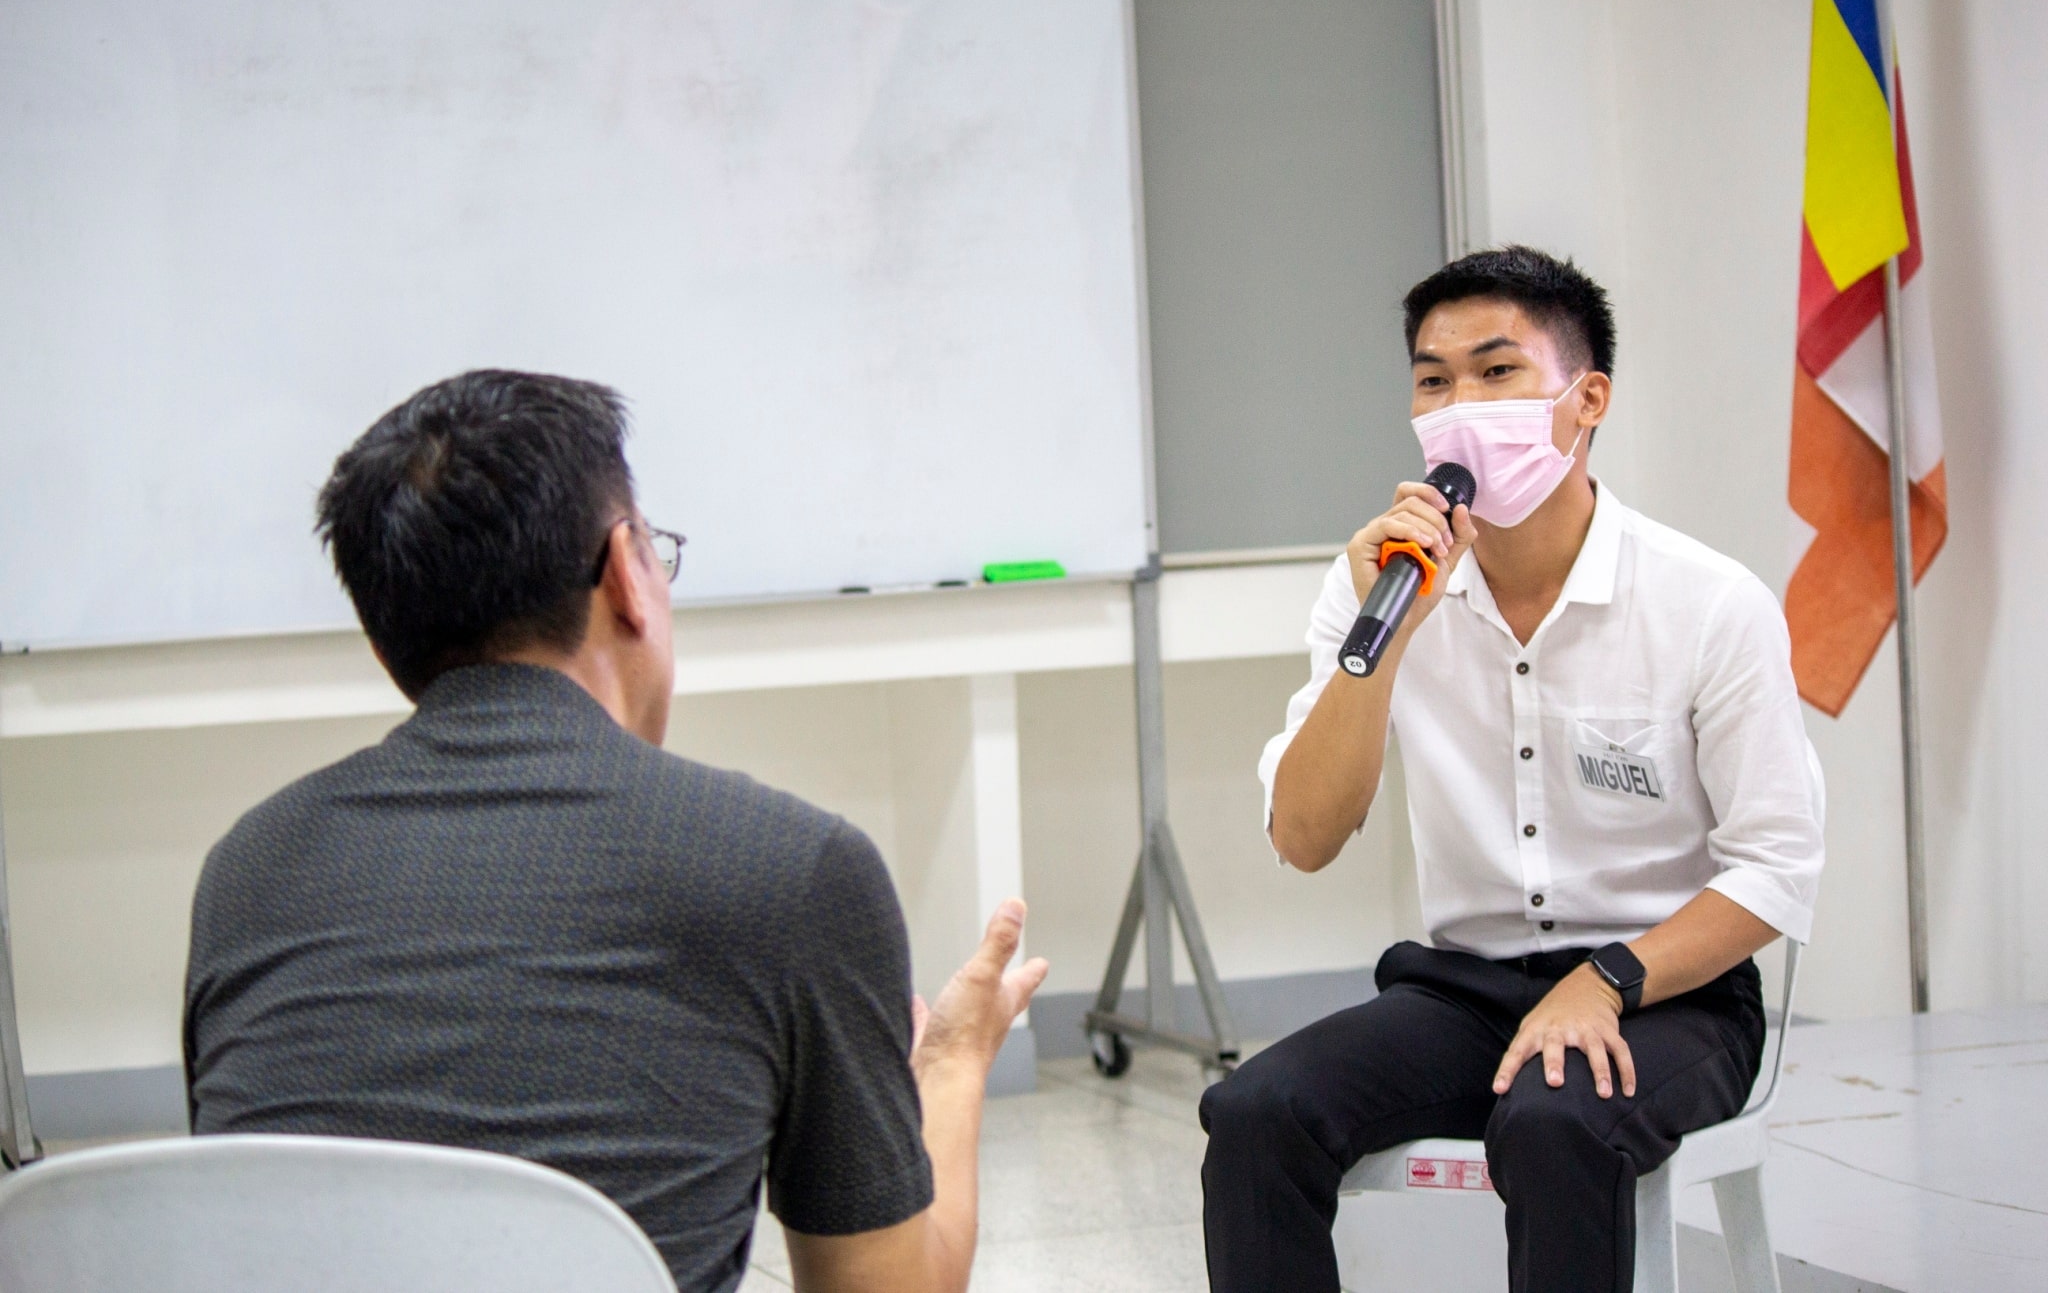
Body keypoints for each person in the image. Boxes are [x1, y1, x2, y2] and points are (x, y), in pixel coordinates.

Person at [184, 369, 1047, 1293]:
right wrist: (953, 1065)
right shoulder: (789, 869)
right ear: (629, 572)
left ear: (383, 641)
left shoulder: (248, 869)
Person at [1199, 247, 1823, 1293]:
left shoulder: (1705, 603)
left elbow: (1775, 866)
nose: (1459, 408)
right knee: (1256, 1112)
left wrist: (1606, 980)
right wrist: (1380, 637)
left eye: (1495, 372)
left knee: (1551, 1121)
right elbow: (1303, 839)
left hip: (1667, 994)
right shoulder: (1378, 589)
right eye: (1432, 381)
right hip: (1465, 991)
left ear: (1586, 401)